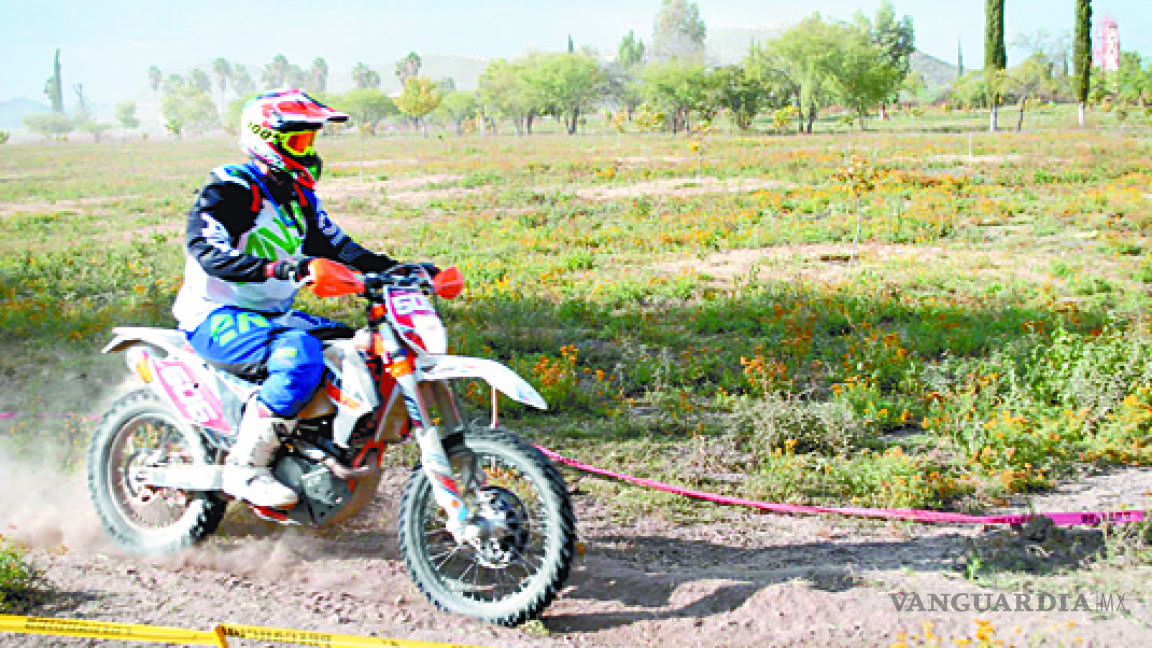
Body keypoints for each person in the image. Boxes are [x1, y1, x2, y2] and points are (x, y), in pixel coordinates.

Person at [172, 89, 401, 508]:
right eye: (298, 140)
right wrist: (277, 268)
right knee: (299, 355)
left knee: (359, 349)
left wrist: (398, 270)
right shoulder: (232, 190)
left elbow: (341, 248)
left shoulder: (298, 199)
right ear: (266, 140)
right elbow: (205, 249)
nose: (308, 151)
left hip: (270, 314)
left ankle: (320, 453)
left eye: (311, 140)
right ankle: (247, 465)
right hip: (216, 316)